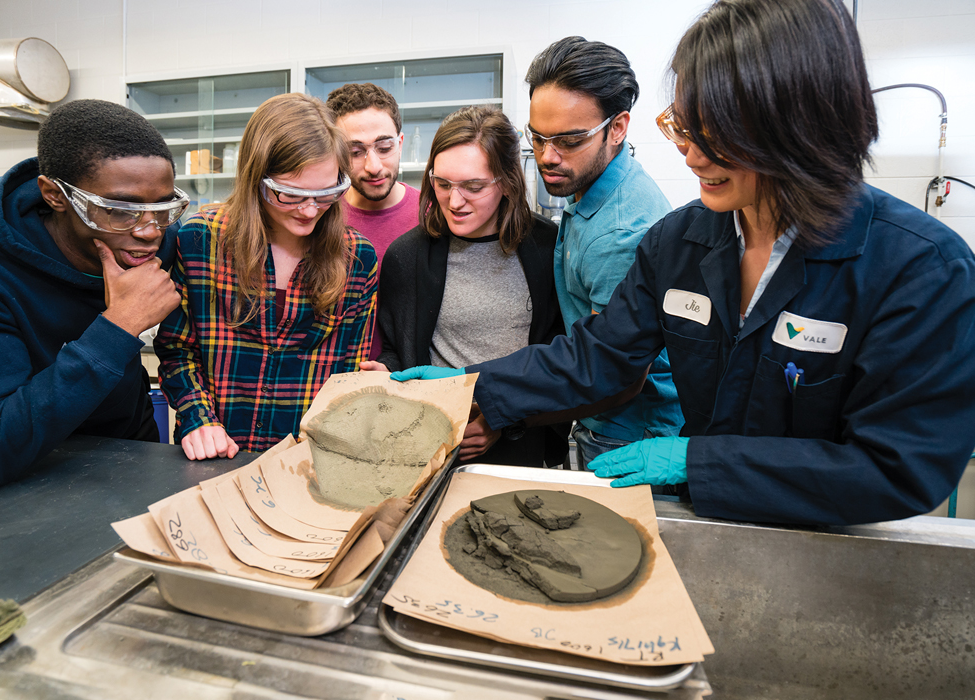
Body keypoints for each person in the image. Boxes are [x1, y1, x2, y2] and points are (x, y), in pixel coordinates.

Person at [392, 0, 975, 526]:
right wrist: (477, 385)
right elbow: (602, 355)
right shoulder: (681, 242)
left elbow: (899, 469)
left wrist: (698, 459)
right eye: (685, 126)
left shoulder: (919, 268)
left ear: (802, 124)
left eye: (720, 133)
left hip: (833, 538)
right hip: (713, 520)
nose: (691, 153)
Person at [0, 99, 184, 487]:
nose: (149, 230)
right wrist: (119, 325)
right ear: (55, 195)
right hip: (25, 494)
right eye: (118, 209)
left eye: (163, 208)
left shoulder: (148, 242)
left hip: (133, 464)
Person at [156, 93, 378, 461]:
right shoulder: (200, 241)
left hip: (306, 460)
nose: (310, 210)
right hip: (216, 452)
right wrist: (198, 419)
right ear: (255, 179)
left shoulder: (357, 259)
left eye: (326, 194)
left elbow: (347, 374)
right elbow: (178, 350)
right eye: (289, 195)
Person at [362, 105, 568, 467]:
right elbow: (399, 347)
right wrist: (386, 371)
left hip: (523, 440)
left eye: (473, 187)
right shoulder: (406, 257)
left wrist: (501, 418)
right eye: (442, 185)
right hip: (434, 446)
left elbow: (559, 355)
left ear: (506, 181)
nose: (454, 202)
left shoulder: (547, 247)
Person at [523, 37, 683, 469]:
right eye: (537, 138)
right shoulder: (594, 186)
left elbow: (617, 378)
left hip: (626, 436)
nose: (546, 157)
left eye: (569, 140)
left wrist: (515, 417)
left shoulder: (620, 233)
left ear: (617, 128)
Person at [326, 83, 421, 360]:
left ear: (400, 144)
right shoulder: (318, 215)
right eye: (355, 152)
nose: (374, 166)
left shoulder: (435, 214)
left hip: (411, 380)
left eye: (384, 147)